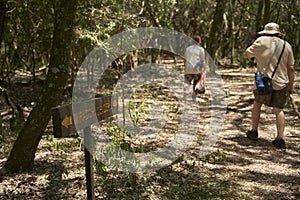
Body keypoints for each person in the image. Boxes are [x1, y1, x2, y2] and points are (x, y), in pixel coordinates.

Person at [244, 22, 295, 149]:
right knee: (279, 110)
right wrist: (291, 86)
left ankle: (254, 131)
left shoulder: (260, 41)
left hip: (263, 81)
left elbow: (246, 54)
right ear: (278, 33)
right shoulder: (286, 45)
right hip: (281, 82)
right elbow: (291, 68)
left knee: (257, 104)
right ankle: (280, 138)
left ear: (265, 32)